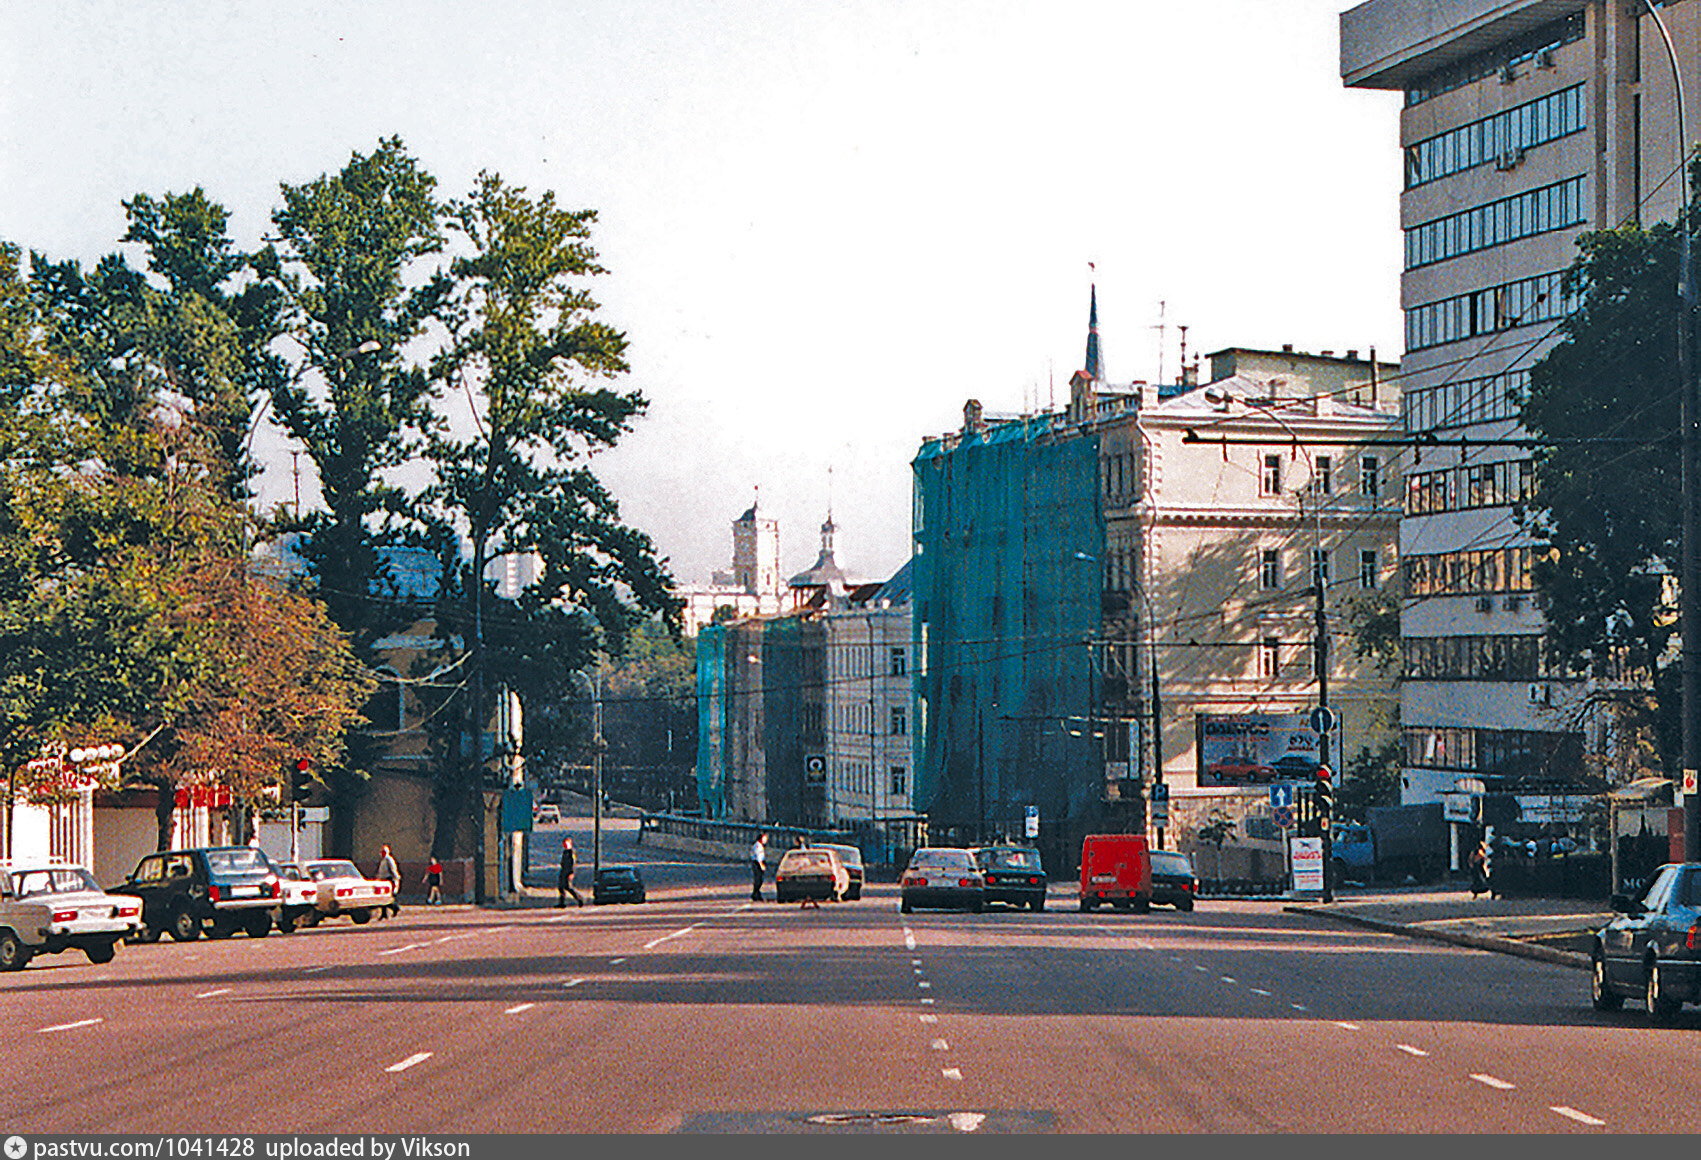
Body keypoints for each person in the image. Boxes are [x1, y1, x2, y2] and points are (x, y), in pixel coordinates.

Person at [557, 837, 583, 908]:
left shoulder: (571, 852)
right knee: (561, 887)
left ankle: (579, 899)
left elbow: (572, 863)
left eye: (566, 844)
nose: (565, 845)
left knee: (568, 887)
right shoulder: (564, 852)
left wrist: (571, 872)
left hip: (568, 871)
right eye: (564, 844)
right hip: (563, 871)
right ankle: (561, 903)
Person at [377, 844, 401, 918]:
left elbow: (393, 869)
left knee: (388, 897)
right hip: (383, 880)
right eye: (382, 852)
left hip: (388, 879)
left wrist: (396, 879)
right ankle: (384, 913)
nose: (382, 853)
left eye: (384, 852)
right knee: (383, 897)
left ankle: (395, 908)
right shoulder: (383, 860)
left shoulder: (389, 859)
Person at [751, 833, 768, 902]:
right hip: (757, 863)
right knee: (758, 880)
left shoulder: (760, 845)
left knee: (760, 880)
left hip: (759, 863)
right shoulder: (758, 846)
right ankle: (755, 894)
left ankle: (756, 893)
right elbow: (758, 856)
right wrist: (761, 865)